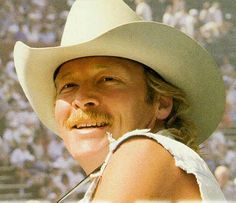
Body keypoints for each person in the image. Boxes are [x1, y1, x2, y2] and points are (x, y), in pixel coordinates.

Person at [14, 0, 227, 202]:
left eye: (108, 79)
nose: (82, 99)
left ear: (161, 103)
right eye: (68, 86)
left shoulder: (143, 150)